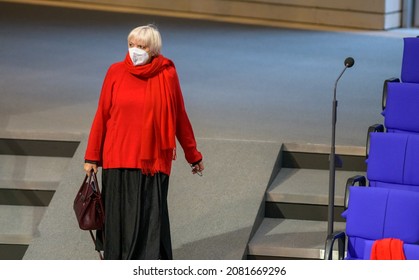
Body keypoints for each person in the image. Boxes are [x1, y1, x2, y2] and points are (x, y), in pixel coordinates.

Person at [83, 24, 204, 260]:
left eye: (141, 46)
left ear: (153, 49)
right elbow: (102, 115)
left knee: (150, 221)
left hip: (153, 162)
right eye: (131, 45)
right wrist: (92, 156)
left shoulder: (167, 74)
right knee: (119, 220)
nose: (135, 50)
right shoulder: (115, 72)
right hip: (118, 157)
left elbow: (179, 115)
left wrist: (193, 155)